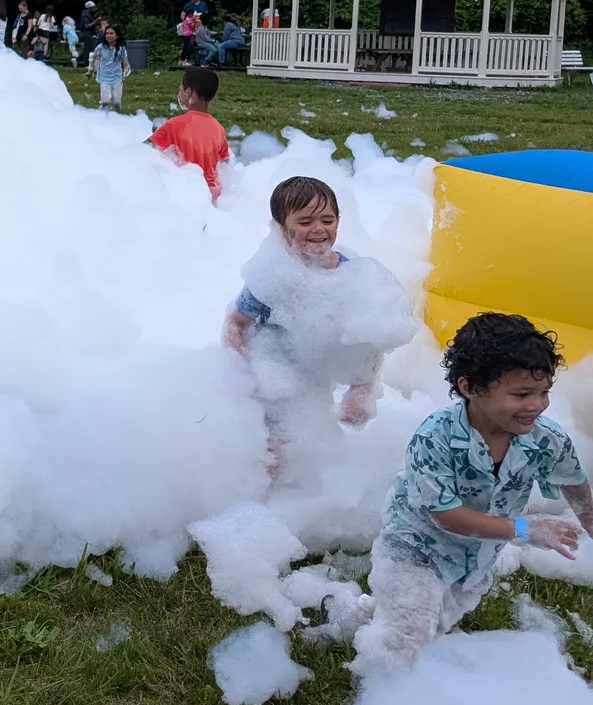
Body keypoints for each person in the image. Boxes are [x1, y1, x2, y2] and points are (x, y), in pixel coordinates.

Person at [352, 313, 593, 674]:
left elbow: (576, 486)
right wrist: (526, 530)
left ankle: (351, 615)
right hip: (416, 546)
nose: (537, 405)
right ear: (470, 388)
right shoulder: (435, 438)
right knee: (405, 640)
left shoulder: (545, 439)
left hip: (474, 560)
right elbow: (445, 514)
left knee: (426, 626)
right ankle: (375, 700)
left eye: (544, 393)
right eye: (521, 394)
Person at [223, 176, 415, 478]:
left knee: (305, 439)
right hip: (271, 366)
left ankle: (299, 487)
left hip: (314, 372)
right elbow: (236, 321)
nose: (318, 229)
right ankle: (262, 493)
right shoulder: (272, 276)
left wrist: (360, 390)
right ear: (280, 228)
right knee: (272, 449)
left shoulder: (352, 276)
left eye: (327, 219)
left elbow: (370, 339)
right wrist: (234, 368)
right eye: (305, 221)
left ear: (338, 221)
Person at [148, 66, 229, 199]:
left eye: (180, 89)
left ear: (188, 92)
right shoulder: (218, 129)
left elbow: (143, 150)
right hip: (213, 196)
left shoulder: (175, 125)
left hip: (186, 193)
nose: (179, 93)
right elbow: (225, 165)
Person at [90, 24, 130, 107]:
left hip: (117, 78)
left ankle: (117, 118)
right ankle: (101, 114)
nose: (108, 35)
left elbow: (126, 65)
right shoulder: (100, 47)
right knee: (105, 102)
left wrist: (125, 73)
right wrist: (91, 69)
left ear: (117, 36)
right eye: (107, 33)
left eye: (111, 33)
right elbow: (93, 58)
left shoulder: (121, 49)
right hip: (104, 78)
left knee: (117, 103)